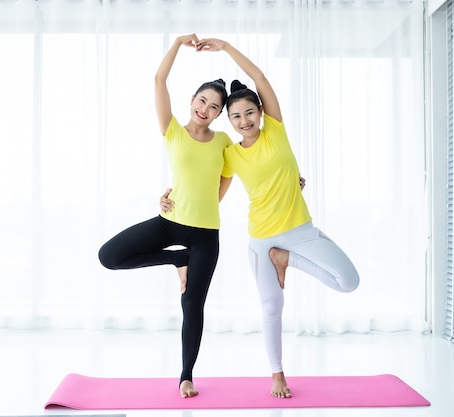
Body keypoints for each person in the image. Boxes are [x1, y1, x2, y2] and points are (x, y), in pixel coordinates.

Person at [161, 38, 360, 399]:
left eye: (249, 113)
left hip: (298, 232)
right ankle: (278, 376)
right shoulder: (230, 154)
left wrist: (224, 47)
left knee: (348, 281)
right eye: (235, 116)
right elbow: (208, 189)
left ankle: (289, 260)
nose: (243, 121)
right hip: (262, 239)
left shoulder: (276, 131)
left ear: (261, 112)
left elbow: (260, 76)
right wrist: (171, 198)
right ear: (229, 120)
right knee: (272, 307)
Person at [97, 33, 233, 398]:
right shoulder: (173, 130)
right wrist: (176, 44)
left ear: (220, 114)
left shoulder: (223, 142)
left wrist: (208, 202)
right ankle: (176, 258)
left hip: (206, 232)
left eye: (214, 107)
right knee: (109, 256)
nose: (205, 109)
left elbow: (229, 177)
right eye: (202, 101)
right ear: (192, 101)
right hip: (171, 221)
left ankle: (186, 375)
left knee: (192, 303)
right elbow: (159, 80)